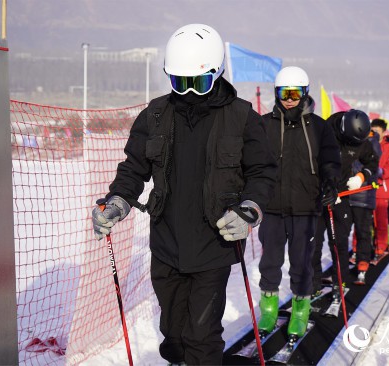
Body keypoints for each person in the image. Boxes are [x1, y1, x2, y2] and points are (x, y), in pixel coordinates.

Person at [91, 24, 277, 365]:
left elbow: (262, 172)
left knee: (202, 336)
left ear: (216, 73)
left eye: (199, 83)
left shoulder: (241, 118)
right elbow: (134, 167)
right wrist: (118, 200)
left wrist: (250, 209)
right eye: (180, 82)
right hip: (167, 244)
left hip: (214, 243)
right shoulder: (157, 114)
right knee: (174, 337)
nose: (189, 92)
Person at [256, 66, 341, 339]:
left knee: (301, 262)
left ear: (304, 93)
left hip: (306, 206)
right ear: (276, 93)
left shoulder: (319, 126)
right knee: (270, 260)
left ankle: (300, 308)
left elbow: (330, 161)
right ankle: (268, 308)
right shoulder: (264, 124)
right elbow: (253, 163)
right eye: (284, 92)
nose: (289, 98)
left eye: (295, 93)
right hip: (271, 206)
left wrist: (331, 183)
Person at [311, 110, 378, 291]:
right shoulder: (322, 132)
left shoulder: (361, 141)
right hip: (318, 195)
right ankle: (314, 284)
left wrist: (361, 177)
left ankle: (340, 283)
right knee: (314, 243)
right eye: (352, 142)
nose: (354, 145)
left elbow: (372, 163)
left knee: (339, 242)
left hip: (342, 195)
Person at [349, 129, 381, 283]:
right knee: (341, 236)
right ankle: (341, 268)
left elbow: (374, 168)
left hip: (363, 197)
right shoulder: (348, 140)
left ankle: (362, 265)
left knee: (363, 233)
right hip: (347, 196)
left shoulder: (372, 144)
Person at [370, 119, 389, 261]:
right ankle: (357, 249)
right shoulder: (366, 143)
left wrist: (380, 171)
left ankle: (381, 246)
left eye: (377, 131)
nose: (374, 133)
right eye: (372, 129)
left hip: (381, 190)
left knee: (380, 221)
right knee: (361, 222)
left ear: (383, 132)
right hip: (365, 189)